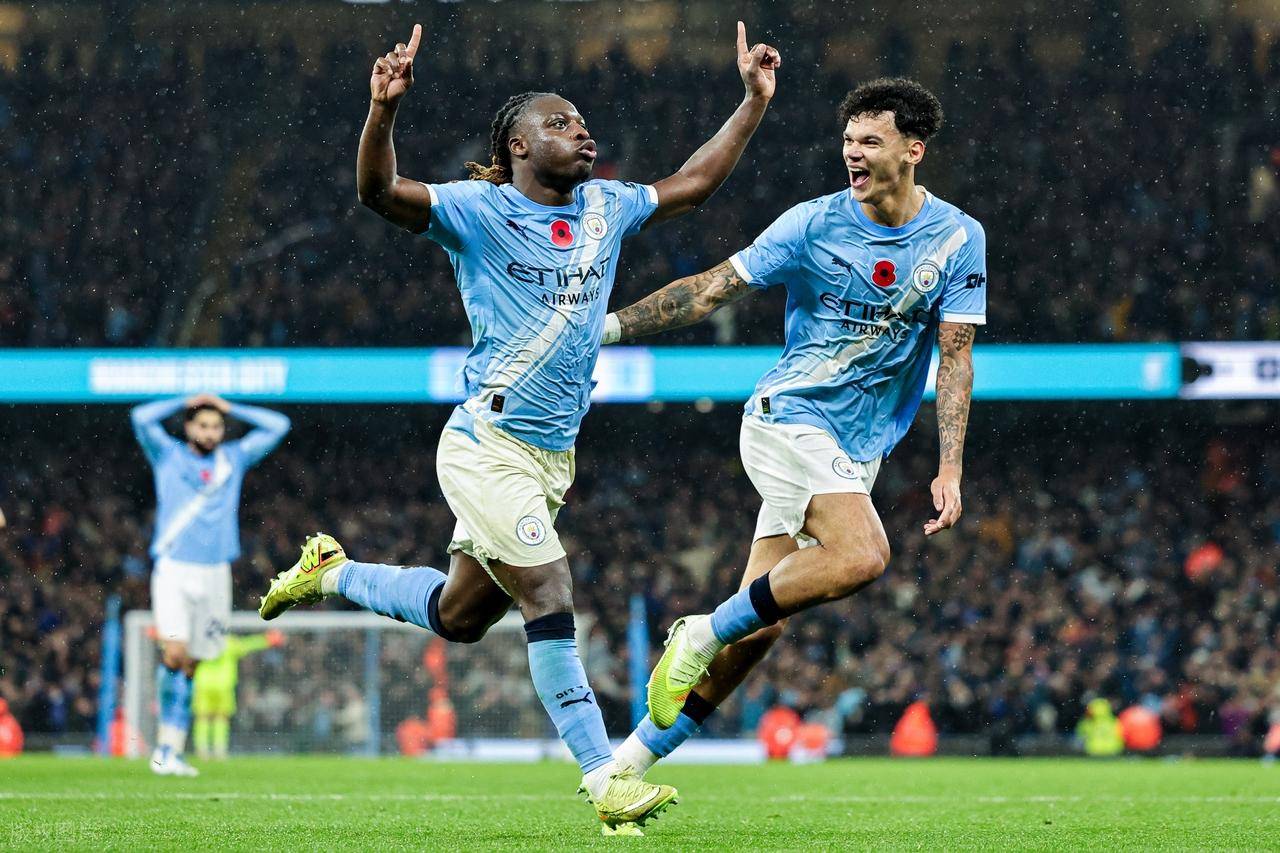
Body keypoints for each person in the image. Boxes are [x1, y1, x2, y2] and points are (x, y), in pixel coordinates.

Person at [258, 20, 781, 832]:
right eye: (561, 123)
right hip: (486, 445)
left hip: (550, 456)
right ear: (519, 145)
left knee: (460, 616)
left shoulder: (607, 206)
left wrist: (751, 101)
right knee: (549, 588)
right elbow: (378, 193)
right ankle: (605, 777)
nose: (583, 132)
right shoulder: (477, 210)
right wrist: (382, 111)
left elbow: (695, 183)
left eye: (583, 122)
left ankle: (331, 572)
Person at [600, 78, 987, 777]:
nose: (853, 153)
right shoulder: (812, 224)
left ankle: (622, 769)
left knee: (761, 626)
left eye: (870, 141)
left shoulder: (959, 238)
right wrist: (606, 328)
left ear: (913, 151)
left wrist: (951, 464)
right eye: (848, 141)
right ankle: (701, 630)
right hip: (790, 417)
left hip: (855, 449)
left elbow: (955, 357)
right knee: (863, 555)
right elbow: (711, 288)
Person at [132, 393, 291, 776]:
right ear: (189, 427)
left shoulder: (233, 458)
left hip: (215, 572)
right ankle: (162, 748)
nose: (210, 432)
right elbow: (140, 417)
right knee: (174, 653)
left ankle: (171, 750)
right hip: (174, 568)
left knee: (192, 664)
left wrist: (230, 407)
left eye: (217, 426)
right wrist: (183, 400)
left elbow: (279, 425)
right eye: (202, 425)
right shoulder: (168, 455)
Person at [192, 630, 285, 759]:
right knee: (221, 718)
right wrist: (267, 640)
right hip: (223, 684)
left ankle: (202, 748)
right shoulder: (228, 642)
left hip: (203, 683)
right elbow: (247, 644)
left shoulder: (201, 642)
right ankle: (219, 749)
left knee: (202, 717)